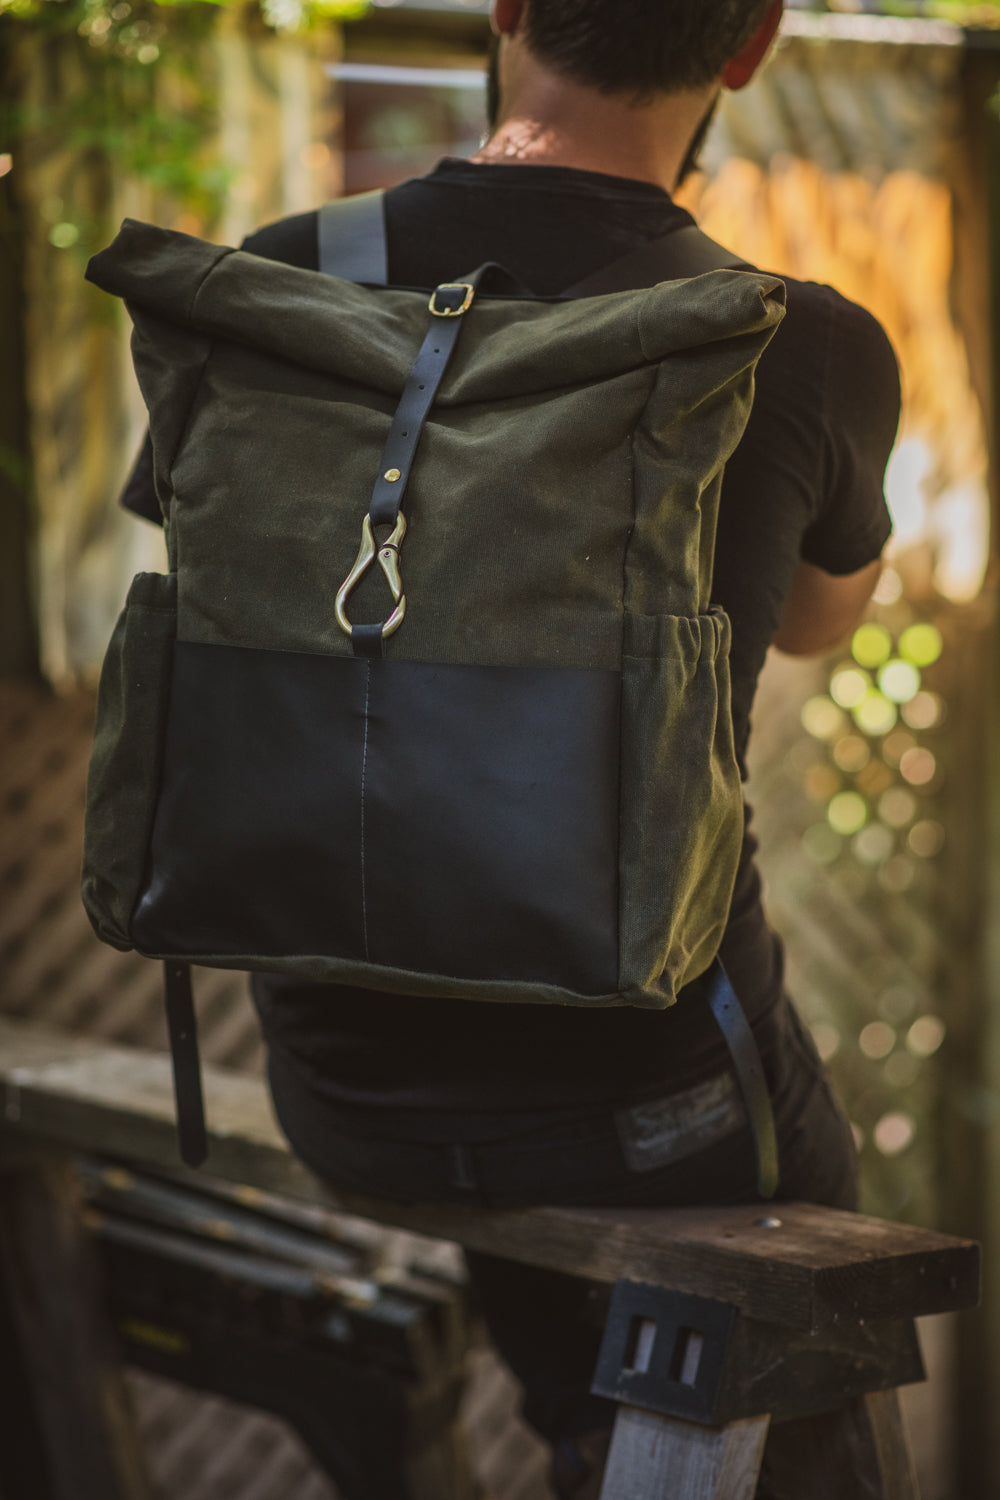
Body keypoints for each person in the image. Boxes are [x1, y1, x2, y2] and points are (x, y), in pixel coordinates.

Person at [121, 1, 900, 1491]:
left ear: (509, 8)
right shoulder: (796, 342)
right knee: (811, 1288)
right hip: (650, 1111)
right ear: (751, 47)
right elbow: (814, 625)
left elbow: (216, 572)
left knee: (577, 1380)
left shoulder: (284, 276)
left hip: (342, 1079)